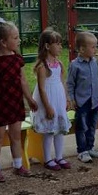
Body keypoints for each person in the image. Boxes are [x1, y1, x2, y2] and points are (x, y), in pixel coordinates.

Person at [0, 19, 38, 182]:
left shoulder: (17, 59)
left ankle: (18, 165)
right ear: (3, 42)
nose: (18, 40)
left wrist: (29, 99)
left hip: (15, 100)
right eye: (15, 38)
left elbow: (23, 81)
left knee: (15, 135)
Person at [30, 29, 72, 170]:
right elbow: (42, 89)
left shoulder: (59, 64)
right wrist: (48, 106)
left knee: (59, 129)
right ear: (47, 46)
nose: (60, 47)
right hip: (48, 100)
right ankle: (48, 159)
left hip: (58, 99)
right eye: (57, 44)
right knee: (49, 130)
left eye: (61, 44)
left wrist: (66, 98)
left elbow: (62, 82)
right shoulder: (42, 67)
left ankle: (59, 157)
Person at [67, 32, 98, 163]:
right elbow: (70, 83)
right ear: (82, 49)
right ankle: (82, 151)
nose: (95, 49)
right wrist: (71, 99)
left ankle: (90, 147)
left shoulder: (95, 63)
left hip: (94, 101)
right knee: (82, 127)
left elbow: (97, 80)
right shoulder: (75, 65)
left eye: (96, 46)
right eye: (93, 47)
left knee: (92, 125)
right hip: (82, 102)